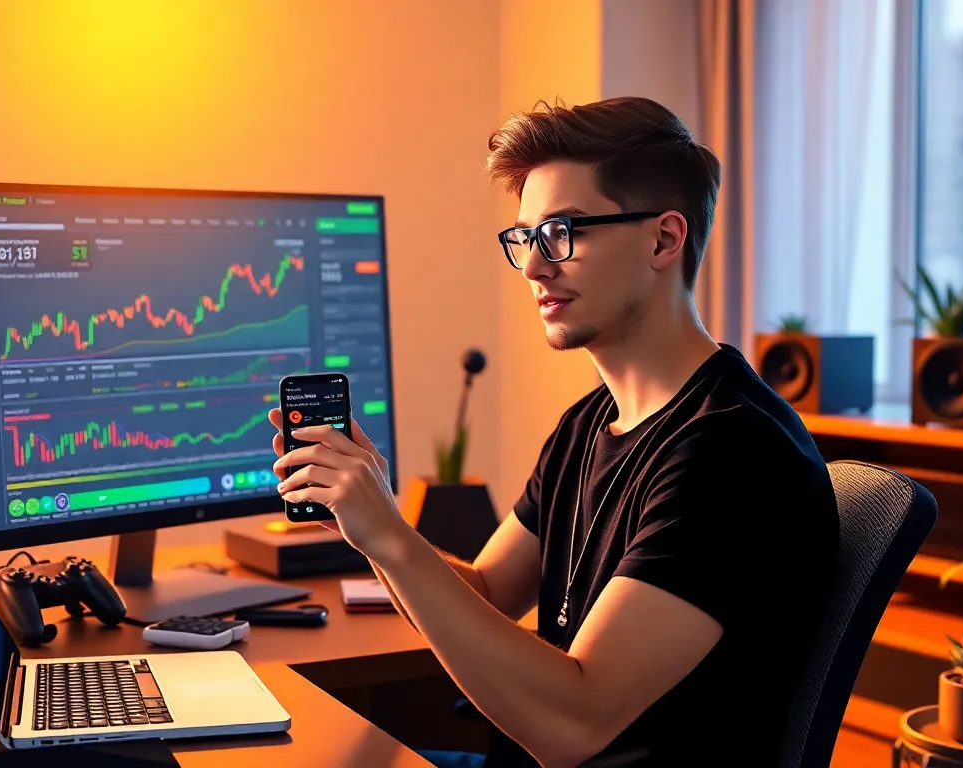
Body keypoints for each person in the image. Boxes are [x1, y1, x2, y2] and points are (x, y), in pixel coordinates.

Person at [267, 96, 838, 768]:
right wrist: (368, 523)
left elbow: (575, 725)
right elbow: (486, 594)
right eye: (525, 239)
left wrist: (391, 537)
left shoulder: (733, 453)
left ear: (663, 240)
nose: (535, 267)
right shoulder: (589, 423)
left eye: (563, 232)